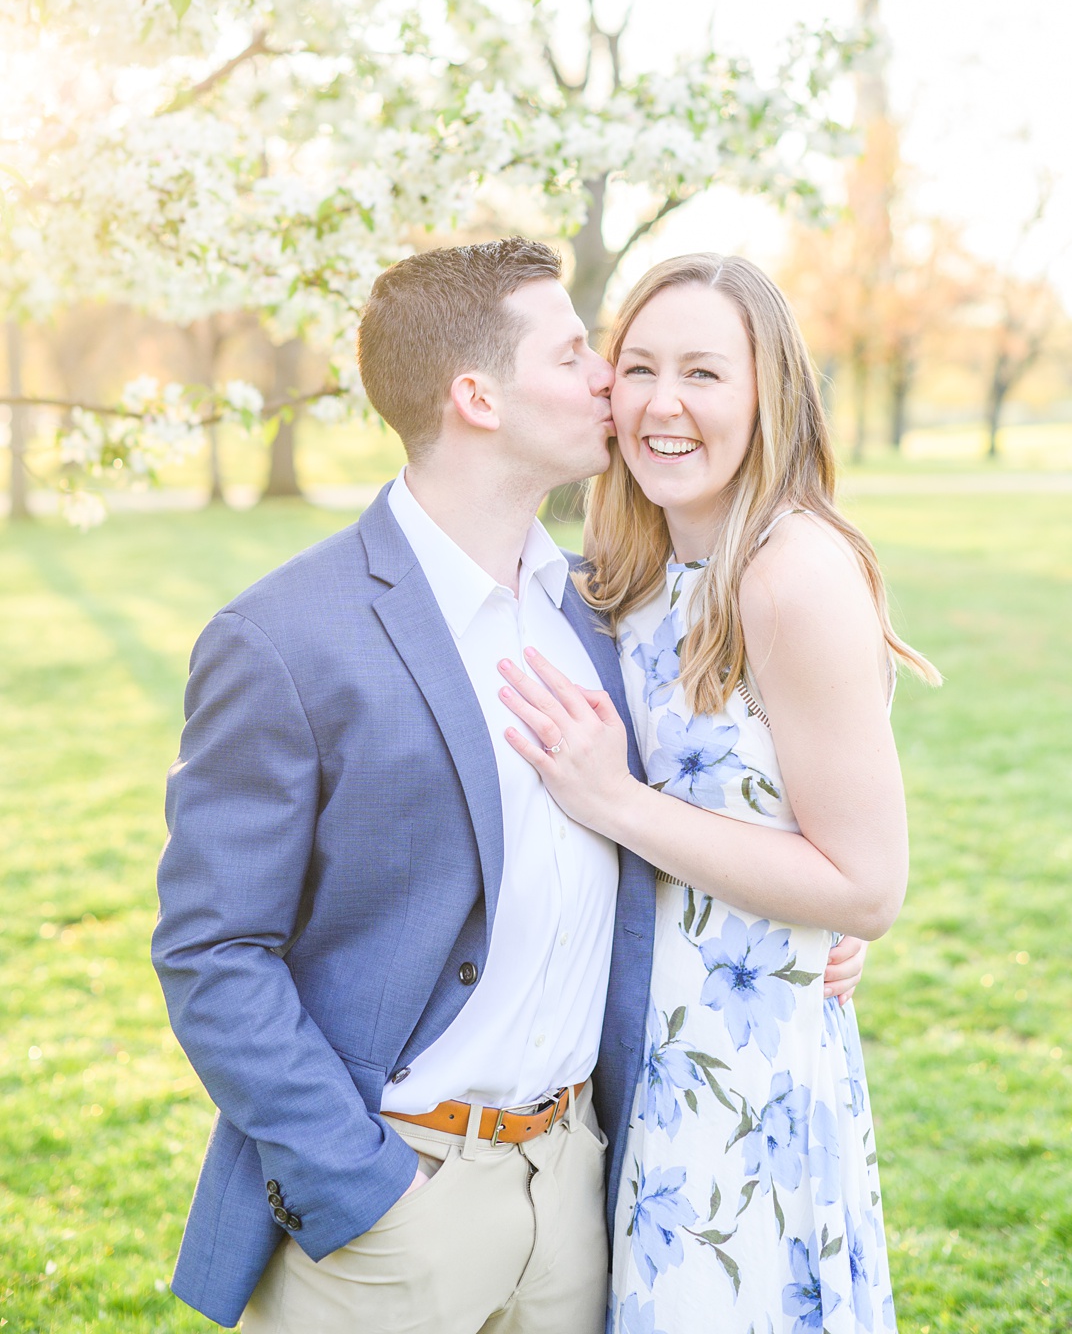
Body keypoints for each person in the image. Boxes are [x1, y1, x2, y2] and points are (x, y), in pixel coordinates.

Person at [153, 238, 863, 1332]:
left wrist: (810, 918)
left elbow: (707, 810)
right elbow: (212, 951)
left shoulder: (606, 610)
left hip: (583, 1190)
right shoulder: (284, 637)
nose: (609, 383)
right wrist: (367, 1187)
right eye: (580, 350)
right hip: (397, 1199)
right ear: (476, 394)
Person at [492, 252, 926, 1334]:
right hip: (629, 1058)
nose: (662, 404)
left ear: (769, 395)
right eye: (638, 368)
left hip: (741, 1084)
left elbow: (866, 887)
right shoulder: (631, 565)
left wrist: (620, 802)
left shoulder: (792, 573)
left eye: (704, 373)